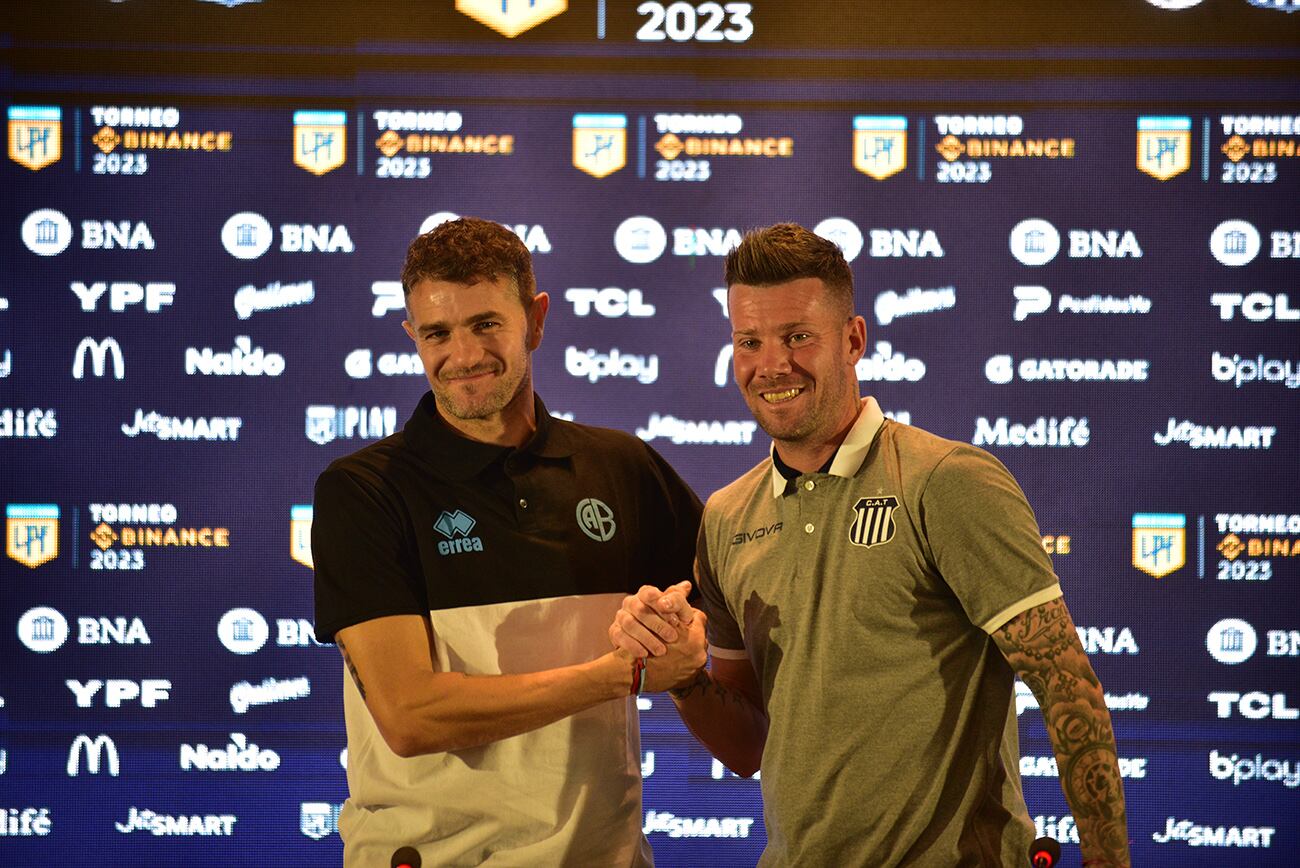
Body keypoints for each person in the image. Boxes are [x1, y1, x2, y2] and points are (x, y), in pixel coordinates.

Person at [610, 223, 1130, 866]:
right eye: (750, 341)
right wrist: (684, 681)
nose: (772, 365)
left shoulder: (947, 480)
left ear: (853, 340)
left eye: (798, 336)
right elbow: (749, 748)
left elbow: (1065, 683)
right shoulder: (725, 516)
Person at [312, 217, 706, 866]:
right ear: (412, 337)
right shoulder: (362, 490)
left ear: (536, 318)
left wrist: (686, 653)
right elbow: (412, 718)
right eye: (437, 333)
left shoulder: (622, 467)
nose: (463, 356)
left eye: (486, 324)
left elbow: (720, 613)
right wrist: (617, 677)